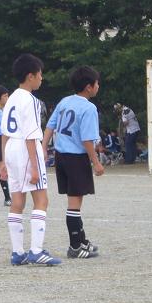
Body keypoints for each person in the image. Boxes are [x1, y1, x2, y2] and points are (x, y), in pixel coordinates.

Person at [1, 54, 59, 266]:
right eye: (40, 74)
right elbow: (31, 135)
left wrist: (4, 163)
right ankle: (36, 250)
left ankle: (17, 253)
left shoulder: (11, 98)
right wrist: (35, 166)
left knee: (17, 201)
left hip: (11, 149)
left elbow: (4, 133)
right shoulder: (31, 100)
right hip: (26, 149)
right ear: (30, 76)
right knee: (42, 200)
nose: (41, 78)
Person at [42, 66, 104, 259]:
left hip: (61, 156)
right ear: (88, 87)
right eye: (96, 83)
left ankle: (82, 240)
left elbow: (50, 126)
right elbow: (87, 139)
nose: (98, 86)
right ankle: (75, 246)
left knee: (74, 199)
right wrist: (96, 162)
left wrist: (43, 147)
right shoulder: (89, 108)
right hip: (76, 157)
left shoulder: (64, 101)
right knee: (75, 202)